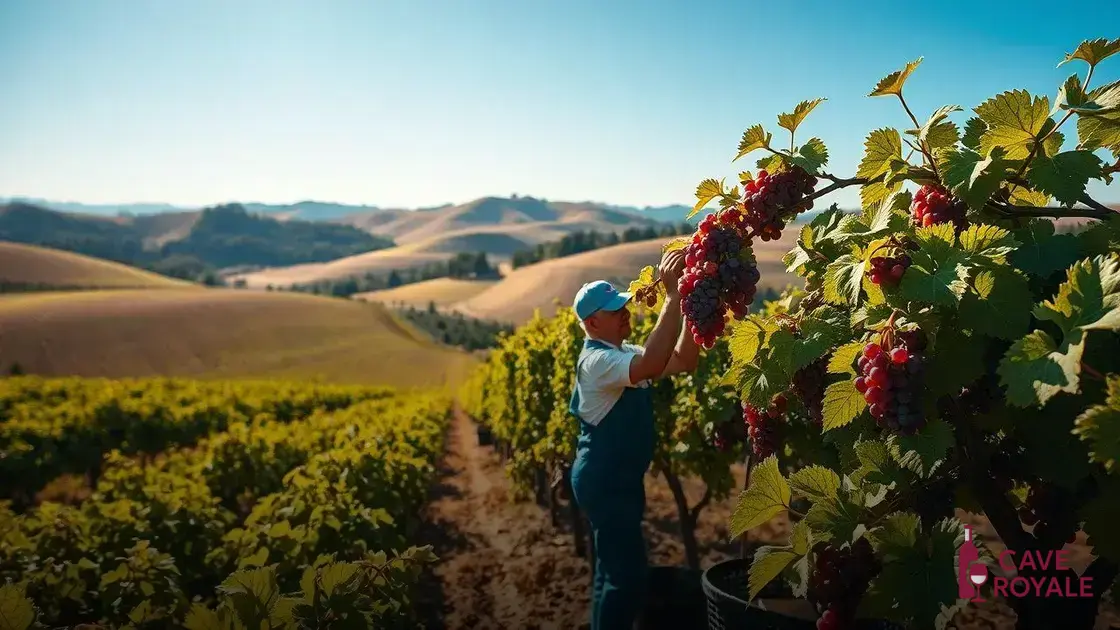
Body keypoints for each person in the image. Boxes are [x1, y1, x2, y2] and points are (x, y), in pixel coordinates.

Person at [568, 249, 700, 630]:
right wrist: (673, 296)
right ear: (593, 323)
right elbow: (653, 363)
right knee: (627, 581)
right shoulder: (598, 362)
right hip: (605, 482)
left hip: (618, 480)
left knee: (609, 571)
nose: (625, 312)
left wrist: (692, 306)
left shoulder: (623, 353)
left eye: (623, 305)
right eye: (615, 310)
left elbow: (682, 360)